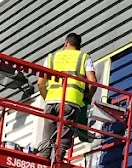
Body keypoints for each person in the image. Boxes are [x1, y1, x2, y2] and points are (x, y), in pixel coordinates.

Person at [36, 32, 94, 160]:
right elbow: (93, 82)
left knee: (47, 140)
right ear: (78, 46)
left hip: (51, 103)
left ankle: (43, 163)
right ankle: (55, 165)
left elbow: (40, 83)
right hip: (70, 102)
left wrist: (47, 99)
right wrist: (88, 97)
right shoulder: (84, 57)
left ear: (66, 43)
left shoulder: (51, 57)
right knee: (62, 141)